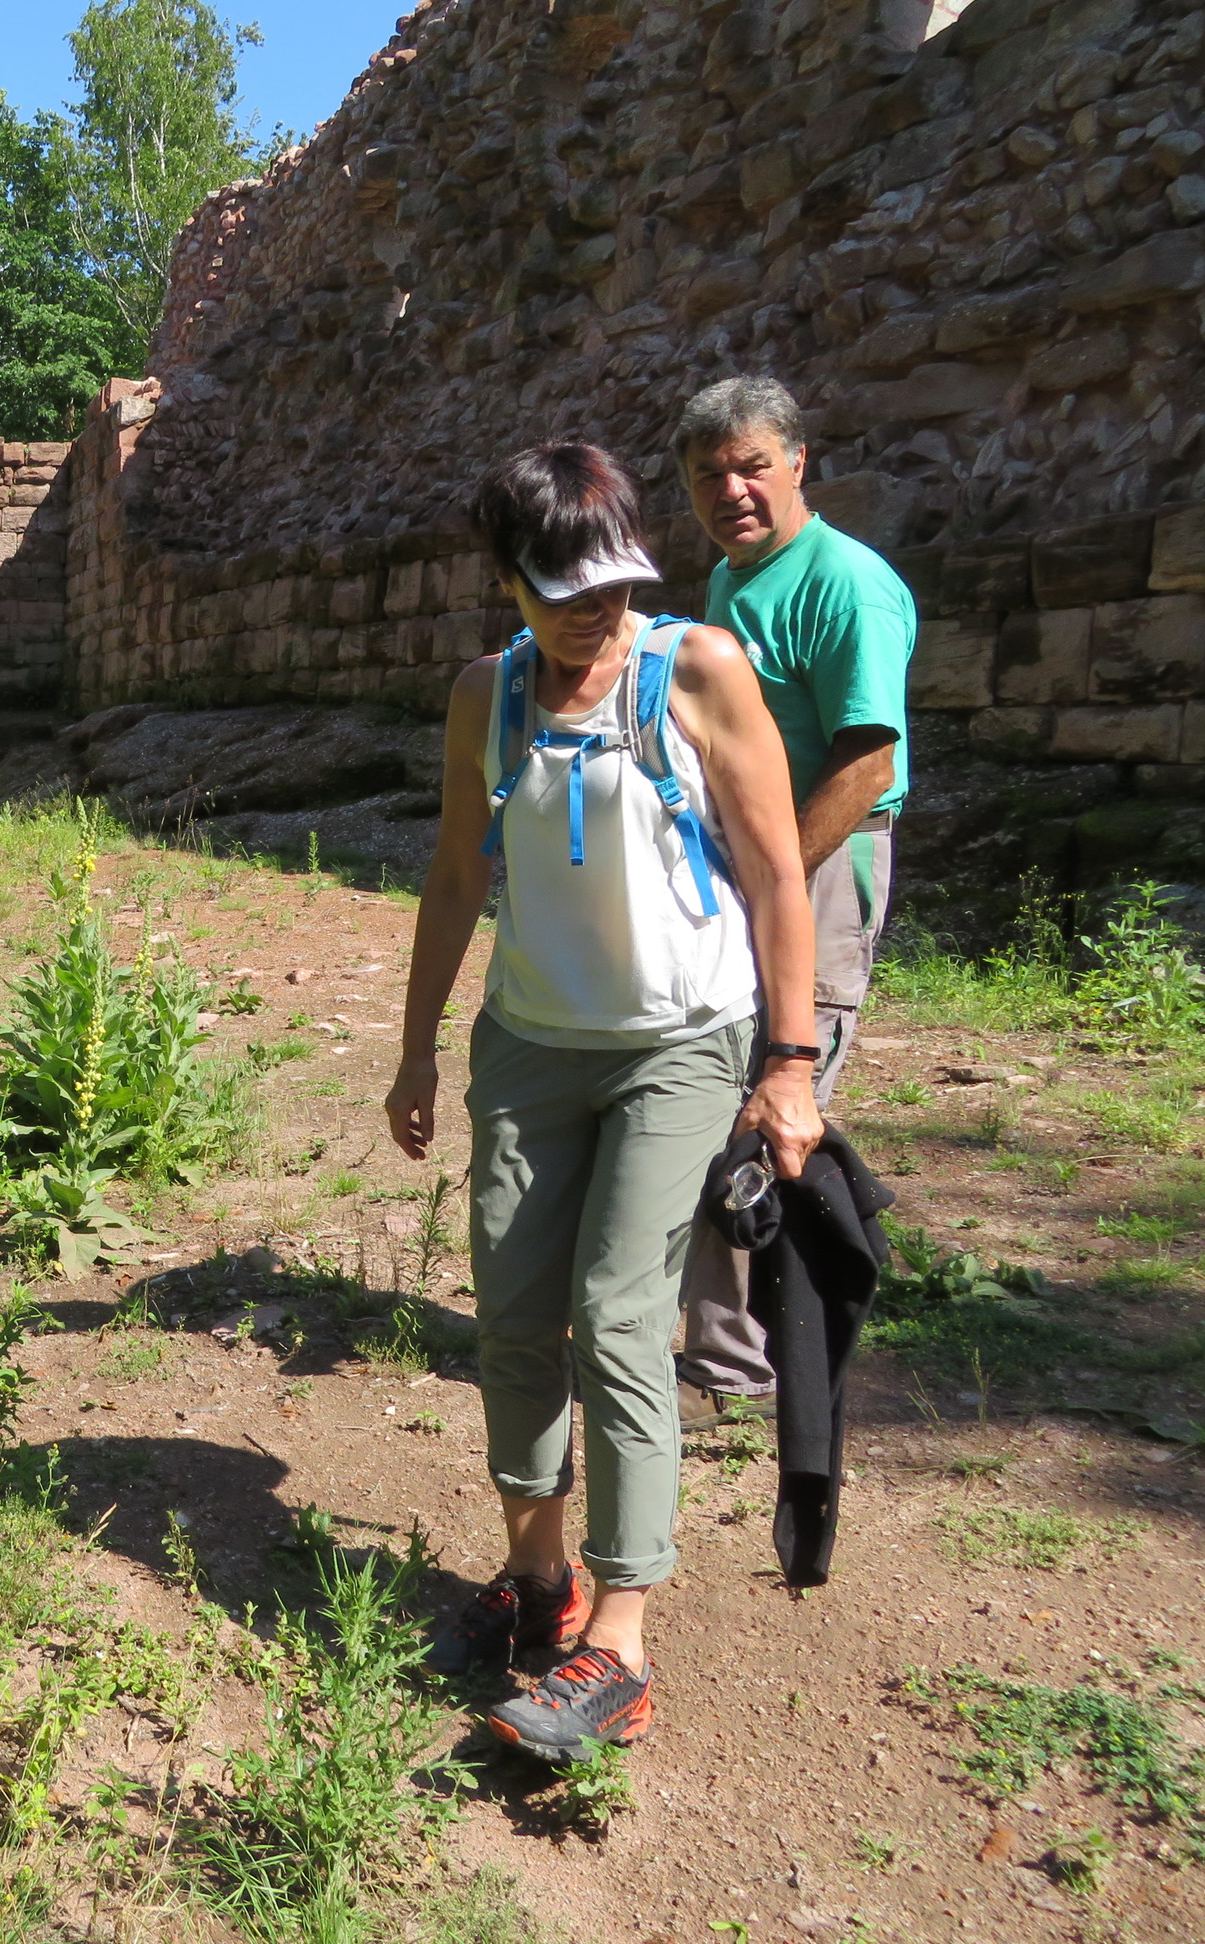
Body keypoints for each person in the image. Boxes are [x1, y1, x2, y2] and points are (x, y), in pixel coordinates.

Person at [384, 441, 822, 1760]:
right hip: (532, 1042)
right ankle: (538, 1576)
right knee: (516, 1308)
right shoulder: (489, 696)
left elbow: (777, 872)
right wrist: (416, 1050)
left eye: (617, 583)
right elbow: (455, 876)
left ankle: (619, 1642)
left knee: (620, 1312)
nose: (600, 611)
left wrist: (789, 1064)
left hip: (681, 1043)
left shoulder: (696, 670)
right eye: (567, 590)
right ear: (509, 582)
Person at [670, 377, 915, 1430]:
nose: (732, 490)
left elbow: (869, 762)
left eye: (752, 466)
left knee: (774, 1102)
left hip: (822, 863)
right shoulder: (733, 580)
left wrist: (767, 876)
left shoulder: (845, 583)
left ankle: (738, 1365)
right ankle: (730, 1343)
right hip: (754, 866)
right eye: (709, 474)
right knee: (716, 1085)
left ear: (798, 462)